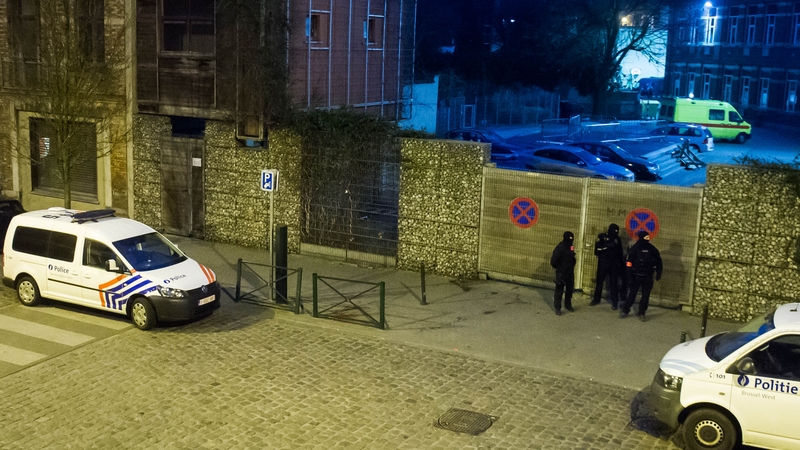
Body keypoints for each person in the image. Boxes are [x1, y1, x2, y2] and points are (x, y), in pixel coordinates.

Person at [620, 230, 663, 321]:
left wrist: (659, 272)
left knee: (645, 295)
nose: (648, 239)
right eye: (646, 237)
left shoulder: (652, 249)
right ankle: (625, 310)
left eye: (648, 237)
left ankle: (642, 312)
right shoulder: (635, 248)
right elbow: (629, 262)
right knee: (632, 294)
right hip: (636, 275)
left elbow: (659, 261)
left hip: (648, 276)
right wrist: (629, 275)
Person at [590, 223, 624, 309]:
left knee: (613, 283)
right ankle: (596, 299)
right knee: (599, 282)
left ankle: (615, 302)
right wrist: (607, 247)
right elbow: (597, 250)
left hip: (613, 264)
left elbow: (620, 253)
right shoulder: (601, 237)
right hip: (603, 263)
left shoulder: (617, 239)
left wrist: (621, 264)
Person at [550, 231, 576, 316]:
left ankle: (568, 305)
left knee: (569, 289)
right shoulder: (560, 247)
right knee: (559, 291)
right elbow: (553, 261)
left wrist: (572, 264)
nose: (571, 241)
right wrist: (560, 268)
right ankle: (558, 308)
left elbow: (572, 257)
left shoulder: (571, 246)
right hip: (561, 272)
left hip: (569, 272)